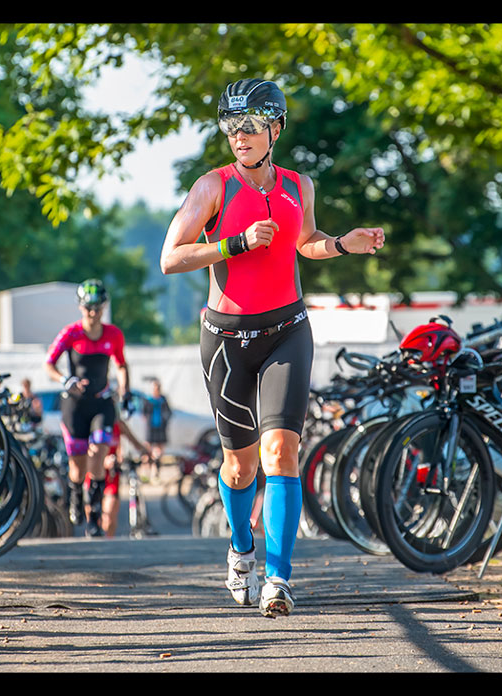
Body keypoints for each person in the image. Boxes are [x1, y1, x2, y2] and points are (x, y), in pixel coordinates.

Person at [159, 78, 385, 617]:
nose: (239, 136)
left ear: (274, 129)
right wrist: (233, 244)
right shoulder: (211, 187)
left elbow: (303, 241)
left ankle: (278, 580)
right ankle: (241, 552)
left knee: (282, 452)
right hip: (227, 342)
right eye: (231, 127)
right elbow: (170, 257)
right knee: (239, 469)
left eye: (250, 126)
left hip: (287, 330)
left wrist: (340, 244)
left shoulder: (298, 184)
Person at [44, 279, 131, 537]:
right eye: (88, 308)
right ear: (81, 307)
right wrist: (64, 380)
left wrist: (124, 390)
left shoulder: (113, 334)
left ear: (104, 307)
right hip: (75, 405)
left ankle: (93, 516)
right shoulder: (71, 333)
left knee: (99, 454)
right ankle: (74, 494)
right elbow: (49, 363)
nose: (93, 313)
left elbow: (122, 364)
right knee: (78, 467)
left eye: (97, 307)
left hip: (102, 402)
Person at [89, 411, 153, 538]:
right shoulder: (92, 422)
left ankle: (107, 547)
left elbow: (136, 442)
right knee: (94, 521)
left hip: (112, 475)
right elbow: (85, 451)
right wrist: (102, 460)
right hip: (94, 474)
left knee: (110, 518)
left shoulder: (118, 424)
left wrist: (147, 453)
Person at [140, 378, 172, 481]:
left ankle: (156, 472)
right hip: (151, 428)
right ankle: (146, 471)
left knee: (159, 452)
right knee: (147, 451)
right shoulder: (148, 399)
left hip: (161, 428)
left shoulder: (163, 399)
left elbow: (169, 412)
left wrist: (165, 419)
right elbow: (143, 413)